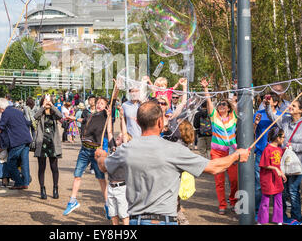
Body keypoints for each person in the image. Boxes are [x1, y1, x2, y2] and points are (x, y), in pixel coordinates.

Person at [95, 100, 250, 225]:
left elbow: (103, 165)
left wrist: (100, 156)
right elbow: (214, 167)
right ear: (160, 123)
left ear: (138, 123)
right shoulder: (174, 150)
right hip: (164, 220)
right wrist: (236, 155)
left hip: (136, 220)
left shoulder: (125, 149)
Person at [63, 97, 112, 217]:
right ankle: (72, 201)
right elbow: (83, 120)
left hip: (96, 152)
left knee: (101, 179)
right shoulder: (91, 116)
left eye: (102, 103)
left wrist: (110, 114)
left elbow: (109, 129)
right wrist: (72, 118)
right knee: (77, 175)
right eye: (98, 103)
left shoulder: (105, 116)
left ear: (106, 106)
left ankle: (107, 205)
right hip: (84, 150)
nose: (99, 105)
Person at [201, 77, 238, 215]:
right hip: (217, 153)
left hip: (231, 152)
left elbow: (237, 101)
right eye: (220, 104)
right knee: (219, 180)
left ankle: (233, 201)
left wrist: (235, 88)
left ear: (228, 108)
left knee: (234, 180)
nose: (221, 106)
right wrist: (206, 88)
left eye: (224, 104)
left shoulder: (233, 117)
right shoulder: (214, 117)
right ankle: (222, 204)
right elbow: (209, 102)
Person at [266, 96, 302, 224]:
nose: (290, 107)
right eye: (291, 105)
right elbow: (272, 117)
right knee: (282, 191)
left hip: (297, 164)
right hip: (282, 164)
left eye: (294, 106)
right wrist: (269, 105)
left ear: (300, 110)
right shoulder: (285, 120)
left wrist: (293, 147)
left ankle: (297, 217)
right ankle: (283, 217)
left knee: (293, 191)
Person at [253, 92, 283, 217]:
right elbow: (251, 133)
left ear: (275, 102)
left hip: (276, 155)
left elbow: (281, 127)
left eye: (268, 99)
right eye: (264, 98)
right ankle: (257, 211)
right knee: (259, 184)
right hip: (261, 153)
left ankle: (279, 215)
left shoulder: (281, 115)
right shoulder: (258, 114)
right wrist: (255, 123)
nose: (265, 100)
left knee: (278, 184)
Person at [0, 98, 33, 190]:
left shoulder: (5, 113)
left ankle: (18, 182)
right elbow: (27, 123)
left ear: (1, 108)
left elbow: (1, 127)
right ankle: (25, 182)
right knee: (24, 162)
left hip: (17, 140)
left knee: (11, 162)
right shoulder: (18, 111)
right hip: (26, 138)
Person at [105, 105, 131, 225]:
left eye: (120, 137)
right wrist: (109, 116)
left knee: (124, 215)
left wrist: (122, 118)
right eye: (118, 137)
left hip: (122, 187)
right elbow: (109, 132)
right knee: (113, 214)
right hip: (111, 186)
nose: (118, 137)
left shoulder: (125, 151)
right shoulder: (113, 148)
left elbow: (125, 134)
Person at [34, 95, 63, 199]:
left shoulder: (54, 112)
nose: (47, 102)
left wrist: (52, 106)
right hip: (42, 143)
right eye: (46, 100)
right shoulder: (40, 112)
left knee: (54, 167)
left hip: (53, 143)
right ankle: (42, 189)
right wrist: (42, 107)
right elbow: (35, 116)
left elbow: (60, 116)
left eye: (49, 100)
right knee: (41, 168)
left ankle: (55, 188)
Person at [257, 127, 286, 225]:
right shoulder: (267, 149)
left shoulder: (279, 149)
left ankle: (279, 220)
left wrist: (281, 173)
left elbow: (278, 164)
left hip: (277, 178)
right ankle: (261, 220)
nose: (284, 140)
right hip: (267, 178)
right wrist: (275, 169)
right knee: (265, 200)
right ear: (278, 138)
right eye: (283, 138)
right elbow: (264, 164)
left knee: (278, 199)